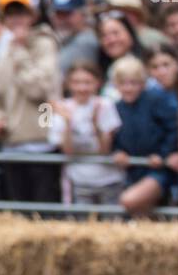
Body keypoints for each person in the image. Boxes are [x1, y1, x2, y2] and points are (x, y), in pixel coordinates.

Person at [0, 0, 61, 202]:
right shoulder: (4, 48)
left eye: (21, 13)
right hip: (10, 142)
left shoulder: (44, 43)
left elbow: (40, 89)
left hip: (41, 141)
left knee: (44, 210)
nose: (16, 20)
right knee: (18, 211)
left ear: (32, 15)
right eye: (11, 14)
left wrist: (20, 53)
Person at [111, 55, 178, 217]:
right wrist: (117, 151)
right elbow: (113, 135)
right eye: (123, 83)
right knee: (141, 213)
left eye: (133, 83)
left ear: (142, 83)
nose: (128, 88)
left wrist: (162, 154)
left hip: (158, 170)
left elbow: (174, 128)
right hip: (132, 170)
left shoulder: (157, 100)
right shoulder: (116, 107)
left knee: (130, 201)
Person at [49, 62, 123, 206]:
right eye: (76, 82)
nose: (82, 88)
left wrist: (96, 125)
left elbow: (104, 150)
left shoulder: (106, 105)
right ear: (68, 84)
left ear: (98, 83)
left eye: (87, 82)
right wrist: (68, 124)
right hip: (77, 180)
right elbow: (67, 152)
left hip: (108, 180)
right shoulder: (61, 108)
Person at [49, 0, 100, 74]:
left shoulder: (86, 42)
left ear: (83, 14)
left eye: (67, 14)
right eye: (58, 14)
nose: (62, 20)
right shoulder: (65, 39)